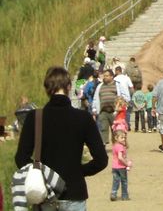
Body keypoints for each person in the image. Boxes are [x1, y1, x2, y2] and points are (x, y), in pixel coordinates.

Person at [15, 65, 108, 210]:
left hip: (45, 194)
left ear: (46, 89)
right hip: (74, 192)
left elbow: (21, 158)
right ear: (69, 87)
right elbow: (101, 160)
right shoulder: (83, 118)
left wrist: (40, 172)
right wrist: (79, 171)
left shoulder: (35, 117)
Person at [92, 69, 119, 144]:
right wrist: (94, 109)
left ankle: (117, 146)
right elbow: (95, 98)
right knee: (103, 129)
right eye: (104, 76)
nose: (105, 77)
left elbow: (121, 97)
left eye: (107, 76)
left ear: (112, 76)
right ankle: (103, 145)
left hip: (114, 112)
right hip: (103, 111)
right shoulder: (100, 86)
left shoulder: (117, 86)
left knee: (115, 129)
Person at [110, 130, 132, 201]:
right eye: (122, 137)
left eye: (124, 138)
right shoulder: (120, 147)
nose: (124, 139)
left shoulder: (114, 146)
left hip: (114, 167)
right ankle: (124, 196)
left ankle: (113, 194)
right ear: (116, 138)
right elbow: (120, 157)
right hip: (121, 167)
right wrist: (126, 164)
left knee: (115, 181)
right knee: (124, 181)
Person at [113, 66, 134, 130]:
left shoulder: (115, 79)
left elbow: (115, 89)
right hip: (127, 97)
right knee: (127, 113)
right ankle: (127, 125)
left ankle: (121, 125)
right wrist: (131, 96)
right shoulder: (127, 78)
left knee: (120, 112)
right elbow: (131, 88)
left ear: (117, 71)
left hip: (119, 98)